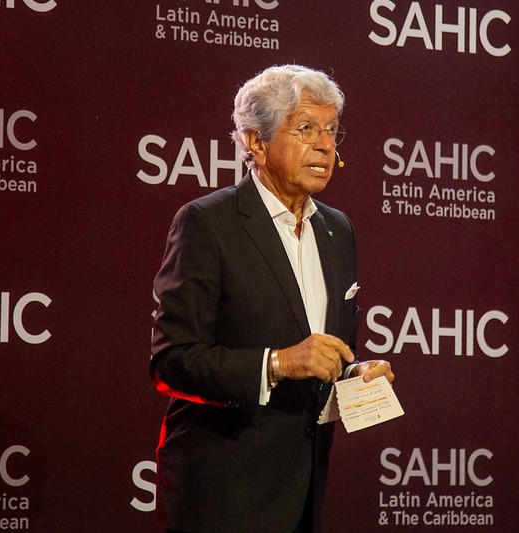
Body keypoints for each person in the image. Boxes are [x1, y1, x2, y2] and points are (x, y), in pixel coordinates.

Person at [149, 64, 394, 533]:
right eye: (306, 129)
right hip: (224, 495)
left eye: (331, 130)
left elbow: (326, 354)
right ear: (255, 142)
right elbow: (172, 362)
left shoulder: (337, 230)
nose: (325, 145)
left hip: (304, 493)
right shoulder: (207, 223)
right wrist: (278, 363)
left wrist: (354, 373)